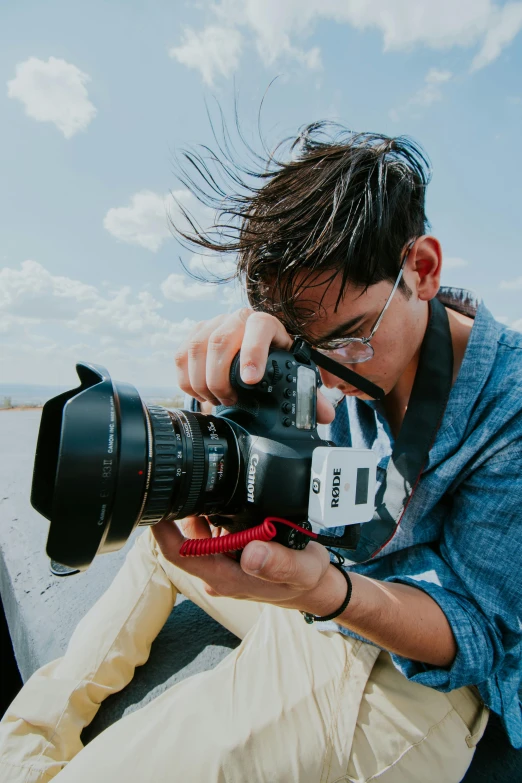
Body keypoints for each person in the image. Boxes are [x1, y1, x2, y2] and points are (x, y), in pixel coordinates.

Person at [1, 125, 521, 783]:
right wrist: (252, 380)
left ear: (421, 268)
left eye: (349, 339)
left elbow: (478, 634)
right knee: (164, 547)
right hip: (330, 581)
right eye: (306, 348)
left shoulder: (511, 410)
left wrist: (324, 589)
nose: (329, 374)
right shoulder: (343, 331)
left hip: (417, 680)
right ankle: (20, 744)